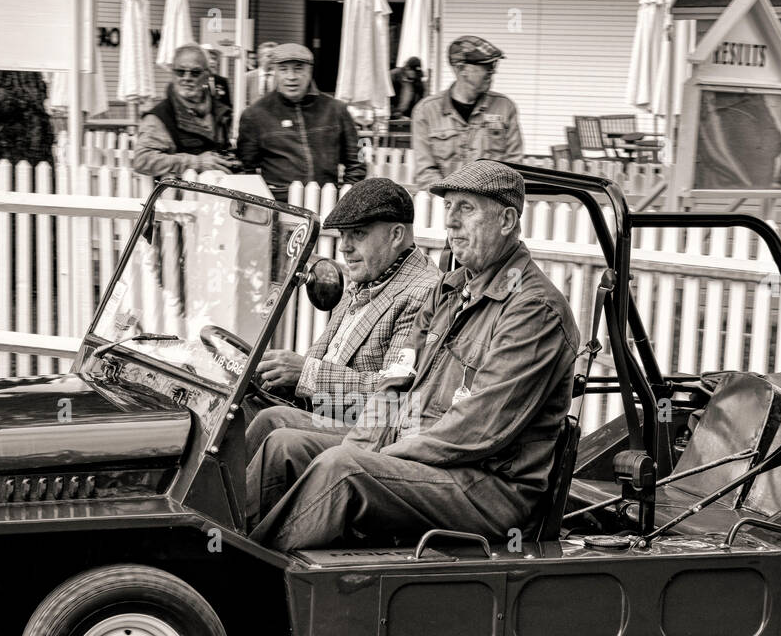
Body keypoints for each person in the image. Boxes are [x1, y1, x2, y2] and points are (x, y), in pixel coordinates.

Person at [246, 160, 580, 551]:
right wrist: (364, 443)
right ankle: (218, 540)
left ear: (507, 220)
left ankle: (245, 572)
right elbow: (395, 383)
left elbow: (476, 430)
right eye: (448, 207)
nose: (451, 223)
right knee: (283, 443)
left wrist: (379, 455)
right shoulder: (449, 292)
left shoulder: (534, 309)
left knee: (343, 471)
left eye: (466, 209)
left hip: (487, 486)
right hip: (421, 450)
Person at [246, 177, 440, 455]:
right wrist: (275, 374)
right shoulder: (368, 276)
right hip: (323, 408)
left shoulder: (424, 292)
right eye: (342, 235)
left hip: (368, 430)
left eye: (358, 234)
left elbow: (394, 398)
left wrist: (306, 373)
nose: (344, 247)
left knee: (273, 422)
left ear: (396, 235)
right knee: (236, 404)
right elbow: (319, 362)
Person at [236, 43, 366, 202]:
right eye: (283, 69)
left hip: (327, 203)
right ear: (274, 72)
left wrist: (347, 200)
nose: (291, 77)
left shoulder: (337, 109)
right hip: (279, 206)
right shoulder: (255, 114)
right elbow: (245, 170)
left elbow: (358, 159)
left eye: (298, 68)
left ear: (309, 71)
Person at [410, 36, 523, 190]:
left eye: (493, 65)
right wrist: (454, 199)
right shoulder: (426, 112)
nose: (492, 71)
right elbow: (425, 172)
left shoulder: (505, 108)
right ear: (461, 69)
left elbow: (513, 168)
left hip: (490, 206)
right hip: (444, 207)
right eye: (486, 65)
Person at [133, 44, 235, 179]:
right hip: (177, 195)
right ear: (172, 74)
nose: (187, 78)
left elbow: (223, 148)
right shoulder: (159, 117)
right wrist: (196, 162)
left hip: (221, 191)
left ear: (207, 75)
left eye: (195, 72)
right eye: (180, 72)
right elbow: (142, 160)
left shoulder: (220, 111)